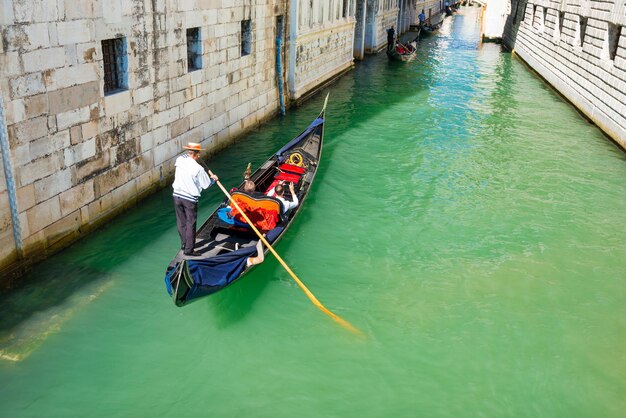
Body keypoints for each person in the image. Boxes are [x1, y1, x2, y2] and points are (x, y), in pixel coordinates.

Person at [172, 142, 218, 256]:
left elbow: (187, 157)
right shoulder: (199, 169)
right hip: (189, 199)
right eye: (198, 154)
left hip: (176, 195)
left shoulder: (180, 160)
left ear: (188, 152)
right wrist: (213, 179)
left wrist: (194, 156)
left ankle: (184, 244)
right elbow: (206, 185)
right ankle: (189, 250)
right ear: (196, 154)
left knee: (181, 221)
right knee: (190, 223)